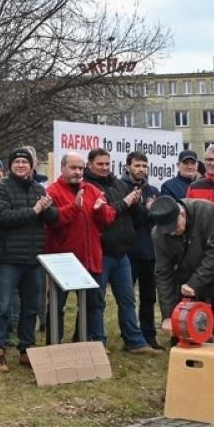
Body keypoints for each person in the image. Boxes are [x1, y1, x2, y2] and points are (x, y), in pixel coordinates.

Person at [0, 147, 57, 369]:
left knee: (31, 306)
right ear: (10, 166)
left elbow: (53, 218)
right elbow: (4, 216)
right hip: (8, 257)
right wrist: (35, 210)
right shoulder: (0, 188)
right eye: (16, 162)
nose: (20, 165)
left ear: (31, 166)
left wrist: (46, 209)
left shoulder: (38, 188)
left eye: (24, 162)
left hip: (33, 258)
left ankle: (26, 347)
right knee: (3, 306)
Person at [148, 195, 214, 346]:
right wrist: (168, 315)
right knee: (186, 332)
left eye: (174, 228)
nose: (172, 233)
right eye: (167, 231)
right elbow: (163, 274)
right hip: (190, 284)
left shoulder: (206, 211)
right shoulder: (158, 235)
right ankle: (194, 368)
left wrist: (195, 283)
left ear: (181, 213)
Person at [83, 149, 155, 354]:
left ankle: (134, 341)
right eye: (100, 164)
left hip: (122, 252)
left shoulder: (120, 184)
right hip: (101, 251)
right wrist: (126, 202)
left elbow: (139, 216)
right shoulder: (88, 186)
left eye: (107, 164)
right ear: (90, 164)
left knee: (127, 299)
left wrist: (138, 203)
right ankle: (98, 341)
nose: (105, 167)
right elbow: (103, 213)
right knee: (97, 301)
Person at [44, 152, 113, 344]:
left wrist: (100, 210)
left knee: (92, 304)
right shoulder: (52, 191)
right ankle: (53, 344)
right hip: (62, 260)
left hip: (90, 259)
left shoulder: (91, 190)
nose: (77, 172)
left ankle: (81, 341)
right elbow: (53, 220)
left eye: (81, 168)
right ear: (63, 168)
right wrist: (74, 208)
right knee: (57, 306)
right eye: (73, 168)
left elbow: (108, 219)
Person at [124, 152, 162, 348]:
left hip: (150, 252)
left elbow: (160, 220)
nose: (141, 169)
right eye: (137, 165)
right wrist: (146, 210)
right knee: (127, 298)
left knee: (149, 297)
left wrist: (154, 211)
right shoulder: (122, 188)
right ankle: (130, 336)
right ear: (128, 166)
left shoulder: (153, 190)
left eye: (144, 166)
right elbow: (128, 219)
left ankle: (149, 335)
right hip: (129, 252)